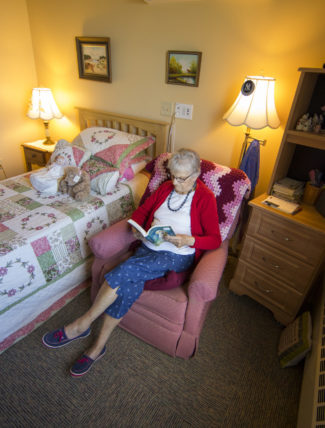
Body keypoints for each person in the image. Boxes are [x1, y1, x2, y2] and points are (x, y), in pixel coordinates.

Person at [42, 148, 221, 376]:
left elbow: (215, 239)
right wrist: (138, 229)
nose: (175, 182)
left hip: (176, 256)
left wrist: (189, 240)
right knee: (128, 284)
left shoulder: (205, 198)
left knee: (125, 270)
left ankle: (82, 324)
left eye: (182, 178)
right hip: (148, 248)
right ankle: (97, 347)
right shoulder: (166, 188)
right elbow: (143, 211)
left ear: (196, 174)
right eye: (173, 176)